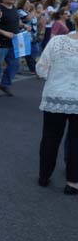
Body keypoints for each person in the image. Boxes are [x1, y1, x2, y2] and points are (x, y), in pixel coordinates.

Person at [36, 10, 78, 193]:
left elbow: (41, 68)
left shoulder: (57, 41)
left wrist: (55, 78)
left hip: (56, 94)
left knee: (50, 137)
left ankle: (44, 176)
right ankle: (73, 182)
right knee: (77, 141)